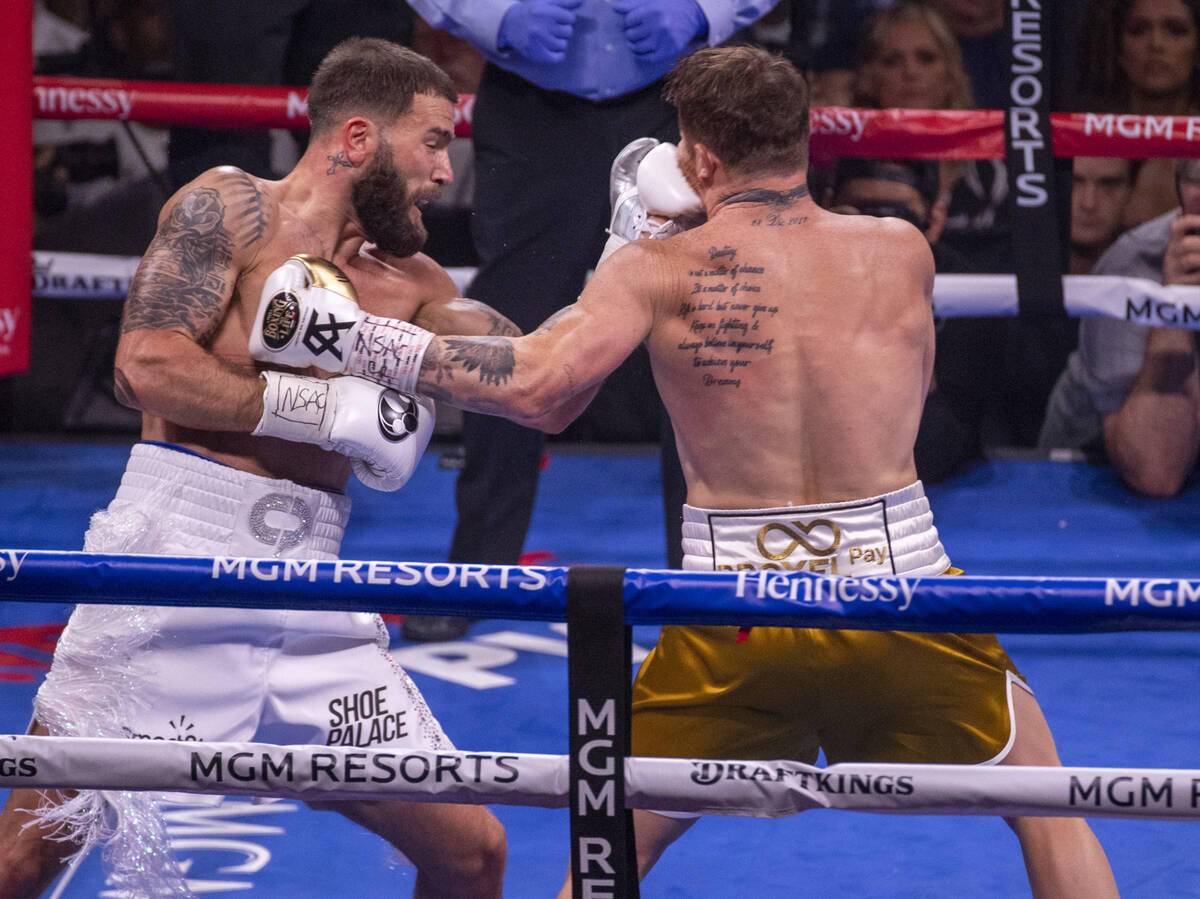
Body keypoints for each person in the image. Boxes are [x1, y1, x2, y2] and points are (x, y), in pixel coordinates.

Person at [251, 45, 1119, 896]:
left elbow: (537, 386)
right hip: (899, 591)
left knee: (610, 841)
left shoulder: (654, 270)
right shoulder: (900, 251)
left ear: (696, 155)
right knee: (1050, 808)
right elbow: (914, 390)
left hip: (731, 616)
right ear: (803, 139)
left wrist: (350, 335)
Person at [0, 39, 507, 898]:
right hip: (172, 560)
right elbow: (147, 366)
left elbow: (535, 381)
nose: (444, 170)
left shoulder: (415, 284)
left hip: (313, 595)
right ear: (356, 138)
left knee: (472, 850)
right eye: (431, 141)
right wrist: (322, 407)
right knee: (24, 855)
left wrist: (625, 260)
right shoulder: (231, 208)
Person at [397, 0, 778, 642]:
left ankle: (707, 577)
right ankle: (477, 568)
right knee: (508, 326)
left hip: (684, 95)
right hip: (531, 105)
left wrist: (705, 9)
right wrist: (488, 13)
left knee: (703, 330)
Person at [1040, 157, 1199, 497]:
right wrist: (1174, 305)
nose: (1088, 202)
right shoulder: (1135, 263)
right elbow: (1156, 471)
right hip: (1083, 482)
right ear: (1186, 188)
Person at [1077, 0, 1200, 229]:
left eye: (1175, 30)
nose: (1156, 44)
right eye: (1138, 30)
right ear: (1117, 47)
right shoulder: (1081, 132)